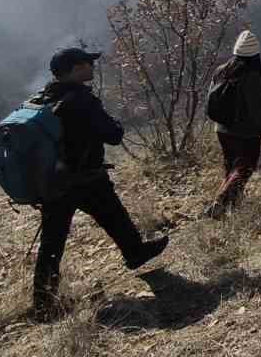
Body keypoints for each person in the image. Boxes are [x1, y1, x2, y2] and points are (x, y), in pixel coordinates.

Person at [31, 47, 169, 322]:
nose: (92, 67)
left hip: (55, 182)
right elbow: (114, 135)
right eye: (87, 64)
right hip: (85, 178)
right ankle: (135, 252)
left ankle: (44, 302)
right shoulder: (81, 100)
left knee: (52, 242)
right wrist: (114, 122)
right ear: (73, 70)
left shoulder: (45, 96)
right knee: (112, 214)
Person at [206, 31, 261, 219]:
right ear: (255, 55)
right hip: (245, 131)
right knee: (245, 167)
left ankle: (231, 206)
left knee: (231, 167)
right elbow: (258, 109)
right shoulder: (251, 75)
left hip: (222, 128)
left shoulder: (222, 69)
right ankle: (220, 202)